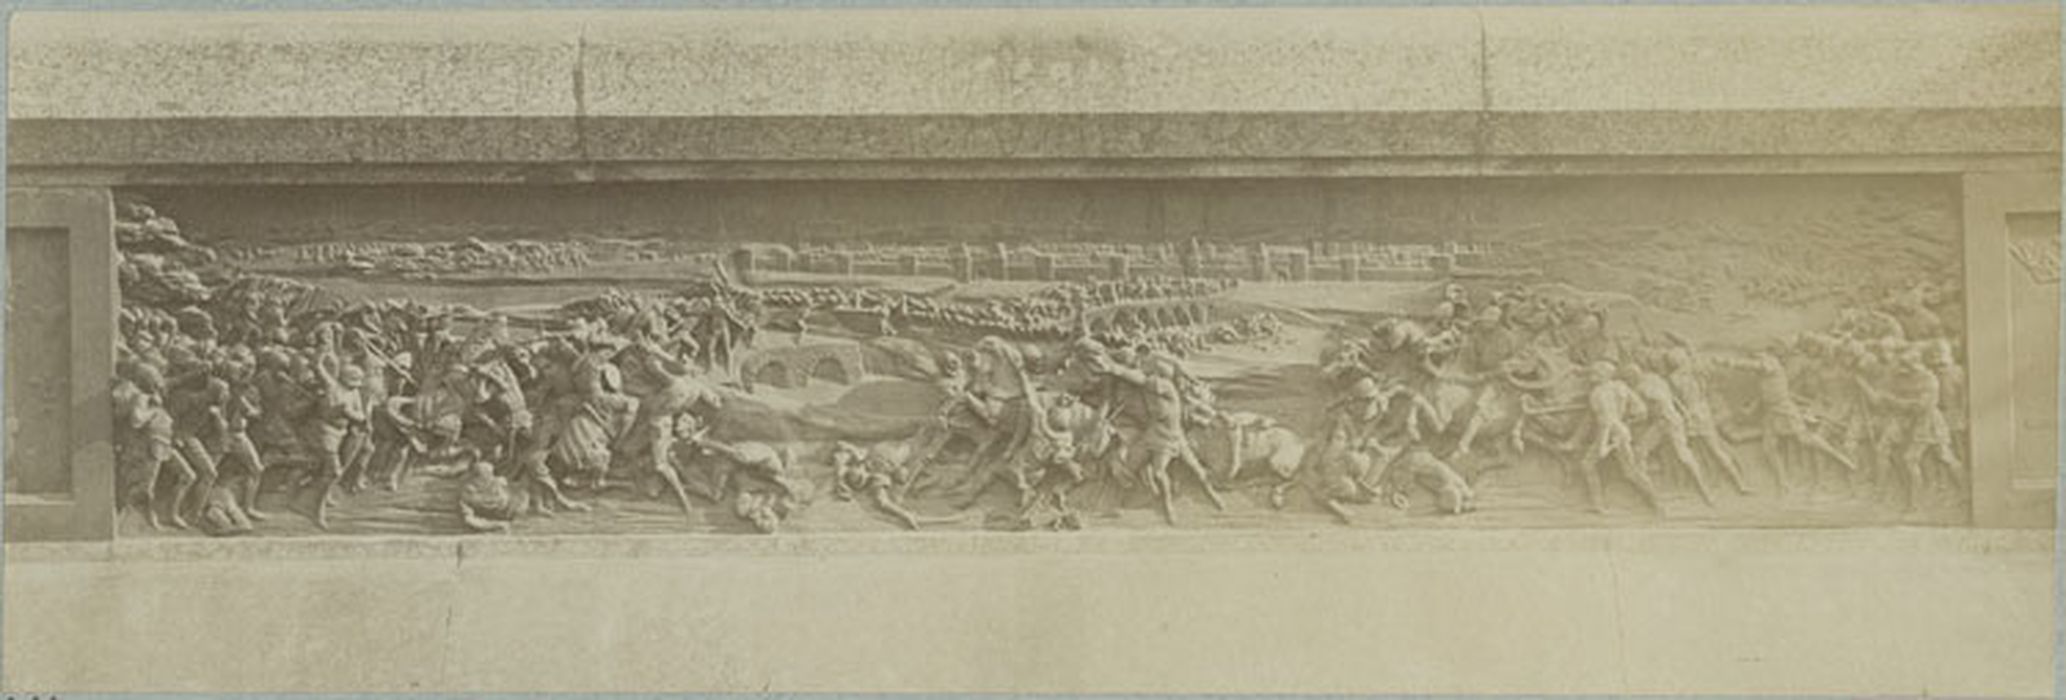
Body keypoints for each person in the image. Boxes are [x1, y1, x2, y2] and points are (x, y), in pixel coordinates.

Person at [1088, 350, 1225, 524]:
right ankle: (1120, 503)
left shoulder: (1164, 386)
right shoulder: (1149, 388)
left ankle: (1169, 506)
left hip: (1169, 437)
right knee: (1127, 465)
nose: (1142, 365)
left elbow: (1140, 379)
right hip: (1152, 434)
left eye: (1147, 365)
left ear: (1157, 371)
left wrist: (1114, 367)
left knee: (1163, 472)